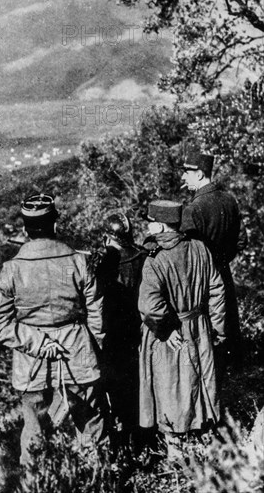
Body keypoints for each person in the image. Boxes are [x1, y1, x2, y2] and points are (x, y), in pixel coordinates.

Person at [0, 194, 108, 466]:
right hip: (77, 355)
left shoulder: (12, 269)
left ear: (25, 229)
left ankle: (38, 482)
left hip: (32, 363)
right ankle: (98, 478)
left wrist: (38, 343)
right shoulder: (78, 262)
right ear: (55, 224)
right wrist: (93, 348)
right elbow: (97, 315)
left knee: (35, 432)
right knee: (90, 426)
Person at [138, 200, 226, 459]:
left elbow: (149, 306)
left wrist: (165, 329)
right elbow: (217, 291)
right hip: (200, 325)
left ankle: (177, 452)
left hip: (173, 331)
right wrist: (217, 329)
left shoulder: (155, 260)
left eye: (152, 221)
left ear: (161, 225)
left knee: (172, 386)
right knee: (201, 380)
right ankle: (203, 442)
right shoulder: (200, 248)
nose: (149, 225)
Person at [180, 150, 247, 375]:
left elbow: (186, 254)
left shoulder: (193, 209)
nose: (183, 178)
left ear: (199, 175)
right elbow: (241, 240)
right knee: (227, 333)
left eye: (187, 173)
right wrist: (222, 261)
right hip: (224, 275)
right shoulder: (229, 200)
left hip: (202, 284)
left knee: (207, 343)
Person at [95, 212, 147, 454]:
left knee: (117, 389)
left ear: (109, 236)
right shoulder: (143, 256)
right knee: (140, 384)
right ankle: (143, 438)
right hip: (141, 328)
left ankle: (125, 442)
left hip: (115, 334)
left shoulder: (106, 263)